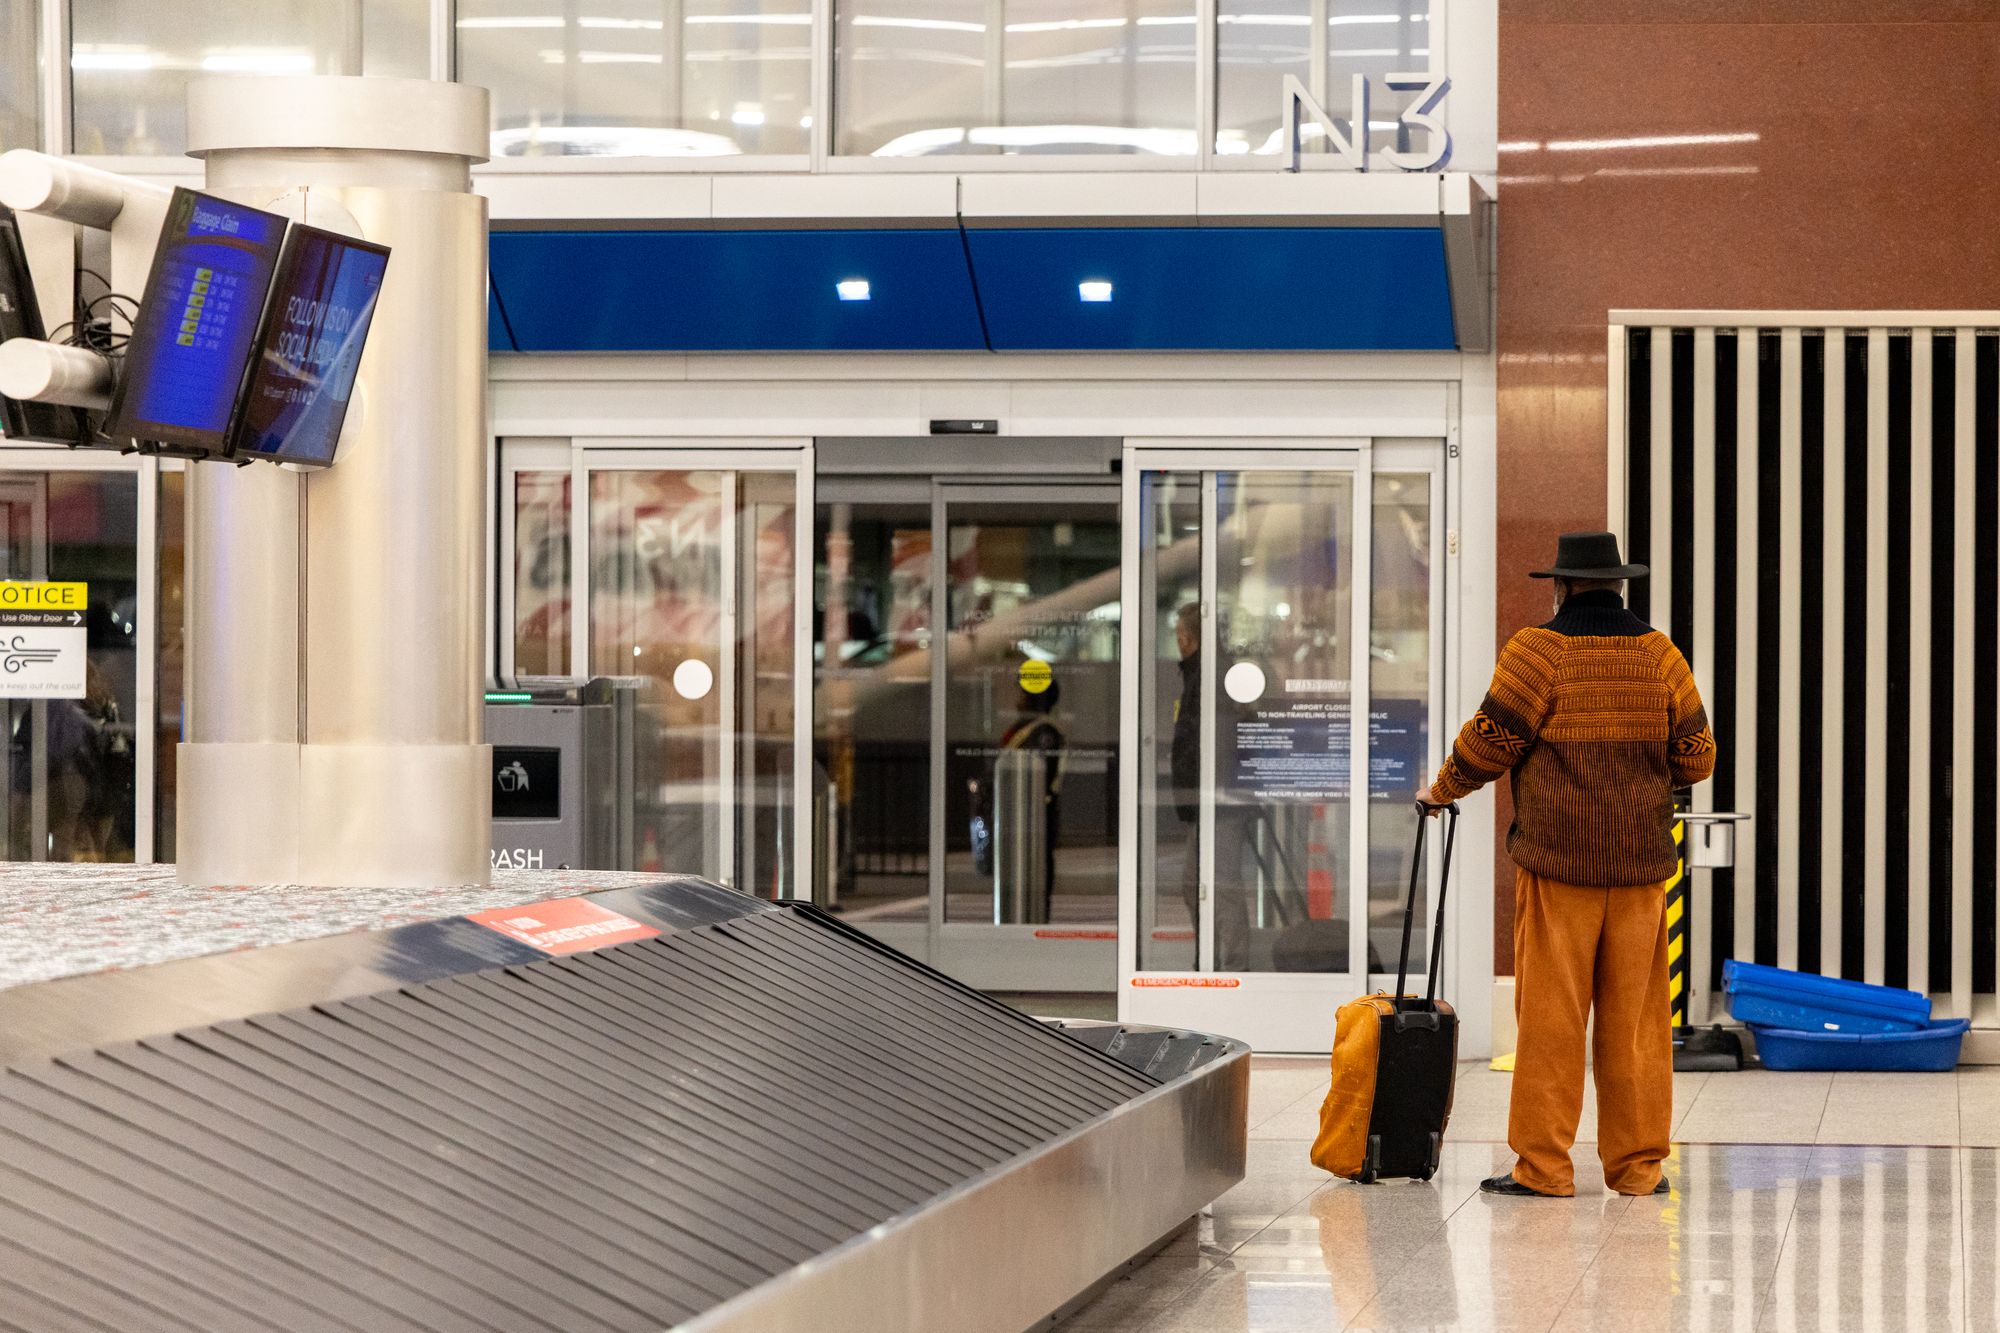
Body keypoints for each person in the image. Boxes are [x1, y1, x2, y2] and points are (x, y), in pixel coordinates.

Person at [1415, 532, 1716, 1199]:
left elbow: (1489, 741)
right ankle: (1638, 1169)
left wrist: (1441, 788)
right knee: (1636, 1028)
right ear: (1617, 584)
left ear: (1562, 585)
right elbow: (1698, 756)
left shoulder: (1538, 651)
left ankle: (1545, 1169)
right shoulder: (1659, 654)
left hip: (1558, 872)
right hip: (1640, 874)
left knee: (1551, 1022)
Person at [1171, 603, 1251, 968]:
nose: (1178, 642)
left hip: (1217, 798)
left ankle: (1232, 965)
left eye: (1178, 635)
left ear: (1187, 638)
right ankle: (1209, 960)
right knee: (1196, 885)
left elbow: (1218, 739)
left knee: (1221, 886)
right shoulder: (1204, 673)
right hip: (1206, 798)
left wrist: (1211, 792)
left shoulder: (1211, 675)